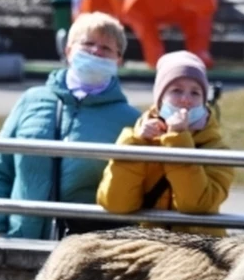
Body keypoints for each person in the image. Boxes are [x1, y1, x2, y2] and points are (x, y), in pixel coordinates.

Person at [0, 12, 141, 240]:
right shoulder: (31, 100)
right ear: (68, 51)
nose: (96, 51)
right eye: (87, 44)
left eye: (106, 48)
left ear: (119, 60)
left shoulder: (130, 120)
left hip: (84, 255)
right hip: (19, 241)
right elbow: (0, 169)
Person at [96, 50, 234, 236]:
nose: (186, 99)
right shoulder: (137, 139)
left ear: (204, 101)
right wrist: (135, 144)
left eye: (195, 93)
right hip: (149, 250)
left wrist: (177, 139)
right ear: (159, 100)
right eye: (176, 90)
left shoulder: (216, 148)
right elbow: (116, 203)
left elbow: (197, 205)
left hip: (200, 254)